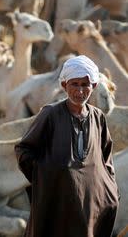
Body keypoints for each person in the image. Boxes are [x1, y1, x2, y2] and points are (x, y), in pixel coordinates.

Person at [15, 55, 119, 237]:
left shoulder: (98, 117)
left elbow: (106, 155)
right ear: (64, 85)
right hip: (57, 201)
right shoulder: (51, 114)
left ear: (93, 86)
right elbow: (24, 150)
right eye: (75, 84)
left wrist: (109, 187)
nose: (80, 91)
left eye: (85, 85)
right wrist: (48, 176)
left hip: (90, 201)